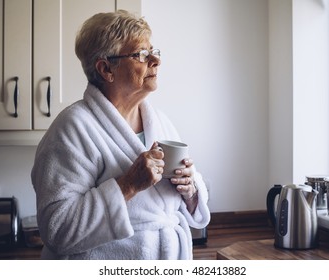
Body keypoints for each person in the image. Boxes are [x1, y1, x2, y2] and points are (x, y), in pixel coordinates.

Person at [31, 10, 210, 260]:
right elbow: (57, 229)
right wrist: (128, 185)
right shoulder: (72, 128)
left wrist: (190, 190)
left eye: (153, 52)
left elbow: (181, 205)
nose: (155, 61)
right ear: (106, 69)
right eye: (141, 54)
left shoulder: (160, 122)